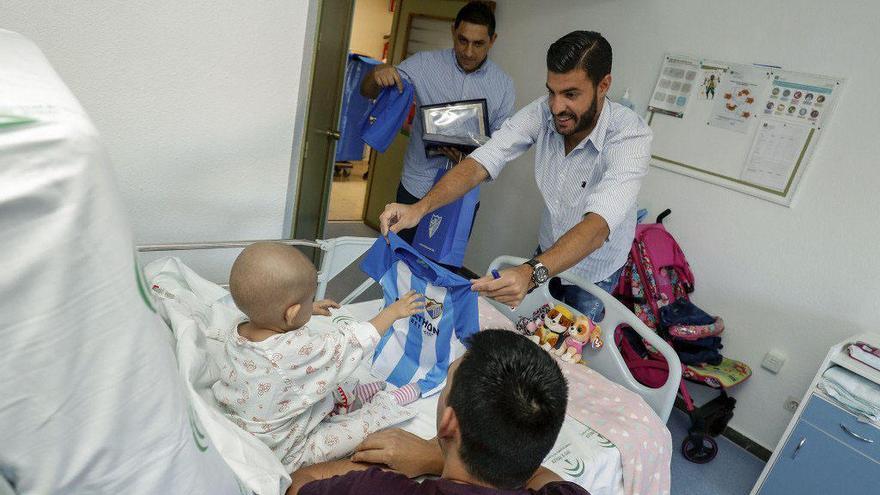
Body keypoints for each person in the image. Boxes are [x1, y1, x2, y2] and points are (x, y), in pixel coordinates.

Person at [379, 31, 653, 320]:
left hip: (594, 273)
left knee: (571, 354)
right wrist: (419, 208)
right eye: (552, 92)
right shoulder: (543, 113)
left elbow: (598, 226)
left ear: (603, 86)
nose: (557, 107)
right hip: (548, 252)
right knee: (528, 332)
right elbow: (482, 160)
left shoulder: (630, 137)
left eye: (571, 94)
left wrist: (530, 272)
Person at [288, 330, 589, 495]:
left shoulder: (376, 487)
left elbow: (299, 483)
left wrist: (368, 476)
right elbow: (539, 474)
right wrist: (436, 455)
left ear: (448, 423)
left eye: (446, 387)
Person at [212, 242, 425, 471]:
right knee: (356, 431)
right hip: (283, 449)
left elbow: (278, 315)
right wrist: (391, 312)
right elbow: (349, 344)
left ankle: (349, 397)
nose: (311, 303)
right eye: (309, 299)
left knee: (321, 380)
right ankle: (385, 405)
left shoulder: (240, 328)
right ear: (291, 313)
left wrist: (306, 308)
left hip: (257, 421)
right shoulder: (291, 352)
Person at [360, 1, 514, 245]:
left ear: (492, 40)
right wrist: (378, 74)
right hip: (415, 186)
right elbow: (367, 91)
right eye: (462, 40)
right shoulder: (423, 64)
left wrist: (466, 161)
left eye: (479, 44)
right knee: (399, 261)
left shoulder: (503, 86)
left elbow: (500, 147)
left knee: (441, 272)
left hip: (461, 195)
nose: (469, 52)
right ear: (453, 31)